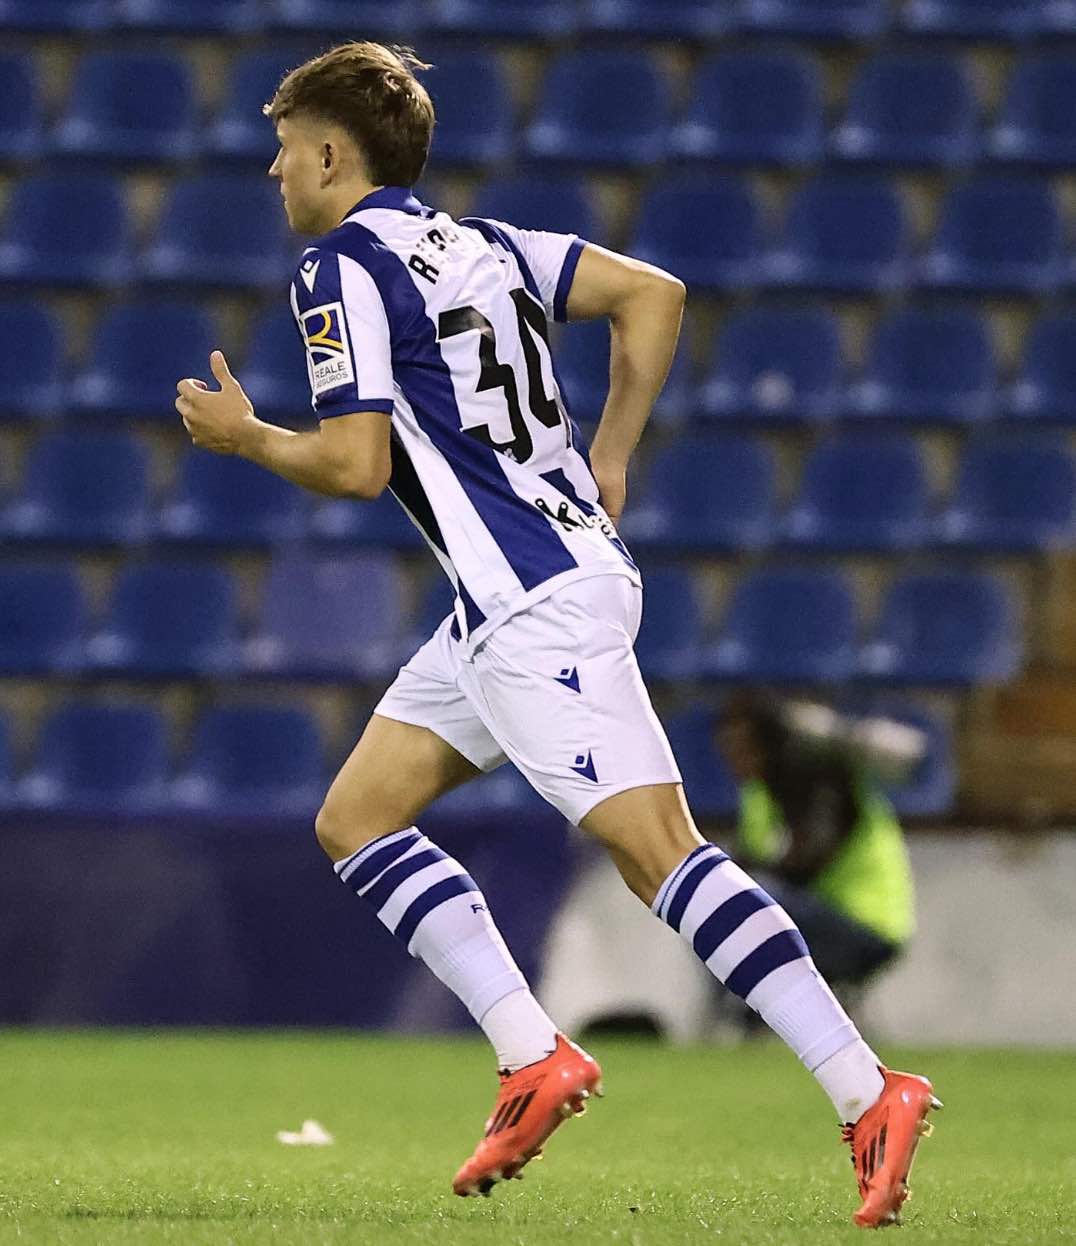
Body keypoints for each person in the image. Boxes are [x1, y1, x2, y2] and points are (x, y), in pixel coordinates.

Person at [173, 41, 940, 1227]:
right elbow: (654, 293)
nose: (275, 171)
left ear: (331, 154)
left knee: (662, 857)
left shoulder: (338, 267)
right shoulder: (482, 246)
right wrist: (612, 455)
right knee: (356, 816)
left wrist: (249, 437)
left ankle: (863, 1089)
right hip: (520, 592)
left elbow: (355, 459)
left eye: (284, 149)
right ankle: (532, 1054)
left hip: (533, 607)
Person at [717, 692, 916, 1002]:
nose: (735, 761)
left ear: (769, 747)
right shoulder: (759, 794)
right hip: (819, 914)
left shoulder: (825, 781)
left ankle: (750, 1014)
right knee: (717, 902)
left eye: (744, 749)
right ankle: (744, 1015)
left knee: (750, 904)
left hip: (865, 925)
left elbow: (806, 863)